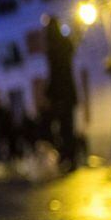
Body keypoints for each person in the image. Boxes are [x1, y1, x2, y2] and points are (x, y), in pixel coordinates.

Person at [44, 17, 78, 170]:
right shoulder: (64, 44)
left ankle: (66, 155)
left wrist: (50, 92)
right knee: (67, 126)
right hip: (67, 92)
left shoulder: (53, 47)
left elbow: (55, 73)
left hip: (60, 94)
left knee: (63, 127)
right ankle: (69, 156)